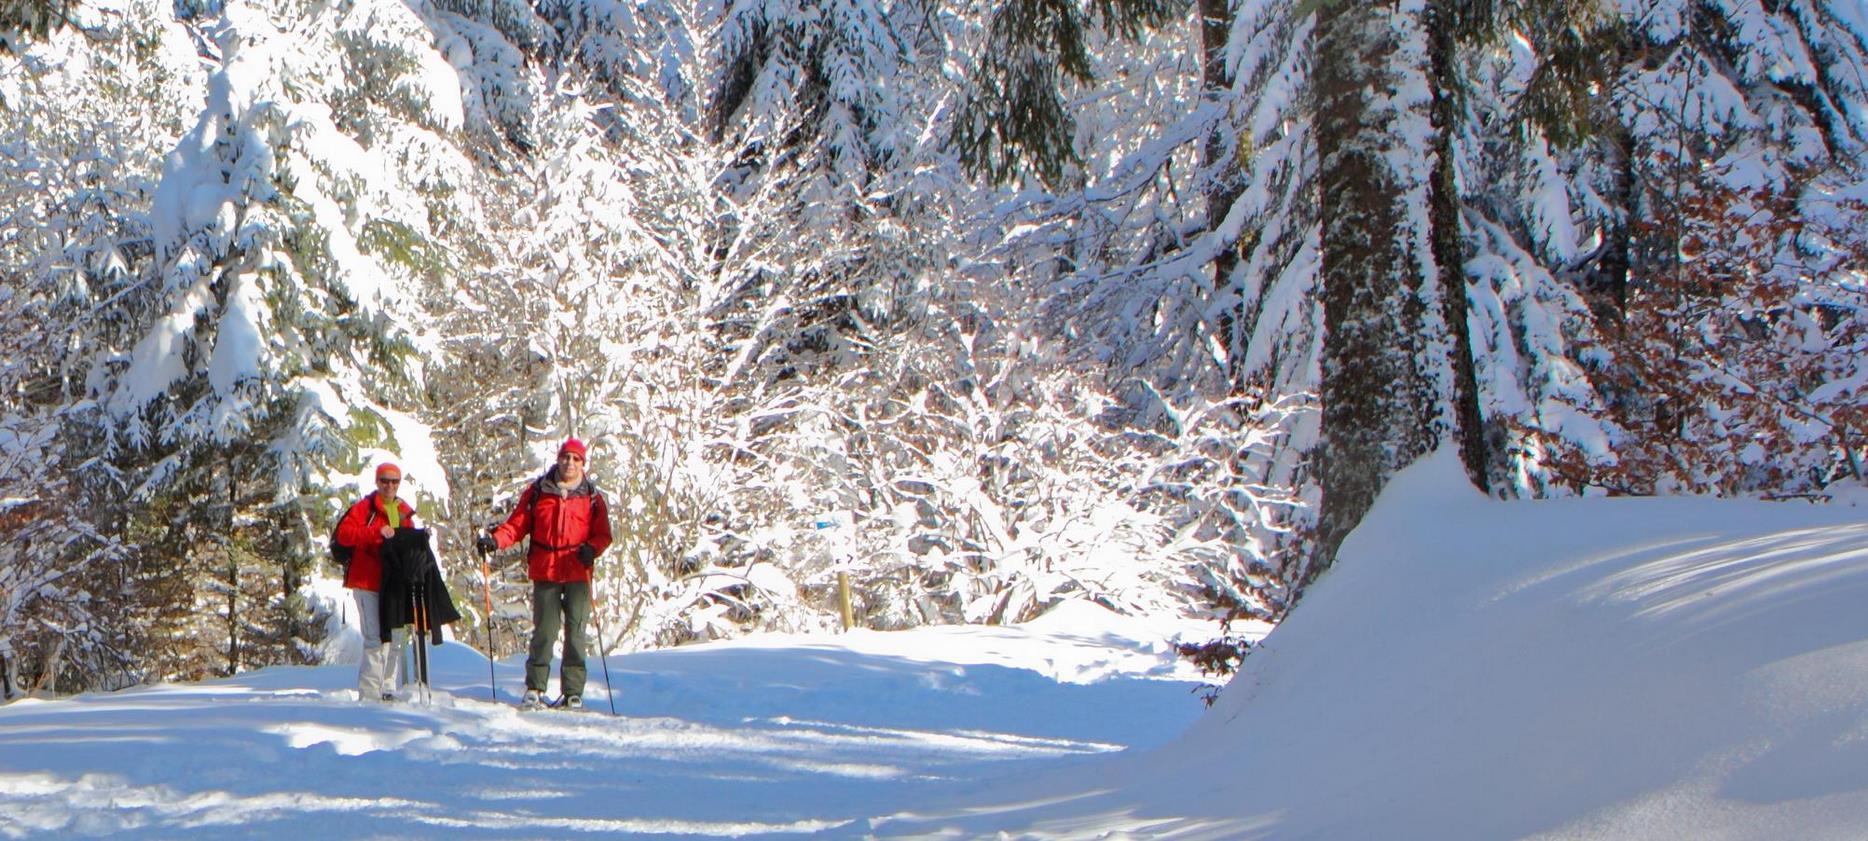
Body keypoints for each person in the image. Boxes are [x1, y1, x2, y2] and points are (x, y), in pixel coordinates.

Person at [478, 438, 613, 709]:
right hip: (546, 571)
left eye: (576, 459)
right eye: (566, 457)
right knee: (545, 632)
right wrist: (495, 540)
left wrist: (593, 549)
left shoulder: (592, 497)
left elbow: (604, 534)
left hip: (577, 572)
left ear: (583, 463)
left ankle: (573, 691)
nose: (570, 463)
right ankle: (535, 687)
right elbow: (517, 525)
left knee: (575, 632)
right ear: (558, 459)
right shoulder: (538, 491)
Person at [334, 462, 418, 701]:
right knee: (375, 640)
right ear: (377, 482)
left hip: (394, 584)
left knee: (395, 639)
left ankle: (388, 688)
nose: (389, 486)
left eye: (394, 481)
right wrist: (375, 533)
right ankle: (370, 694)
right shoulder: (364, 508)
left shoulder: (404, 510)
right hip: (366, 582)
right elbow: (345, 535)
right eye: (385, 481)